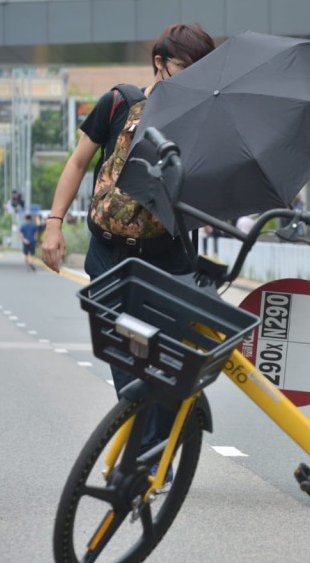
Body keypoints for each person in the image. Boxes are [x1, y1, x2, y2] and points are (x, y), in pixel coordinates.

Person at [40, 23, 216, 459]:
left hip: (168, 257)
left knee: (167, 360)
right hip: (109, 254)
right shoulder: (119, 102)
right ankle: (147, 450)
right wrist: (54, 223)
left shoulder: (203, 119)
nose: (195, 78)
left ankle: (154, 452)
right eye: (186, 68)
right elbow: (79, 162)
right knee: (127, 358)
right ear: (161, 63)